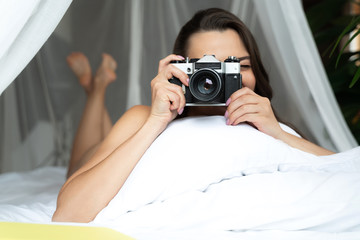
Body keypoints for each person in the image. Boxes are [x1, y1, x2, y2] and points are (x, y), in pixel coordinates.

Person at [52, 8, 334, 223]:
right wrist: (155, 122)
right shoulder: (144, 117)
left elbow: (342, 168)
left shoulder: (269, 124)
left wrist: (278, 132)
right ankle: (97, 89)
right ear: (180, 70)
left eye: (237, 66)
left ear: (255, 72)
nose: (215, 80)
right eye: (206, 69)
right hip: (127, 136)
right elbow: (69, 214)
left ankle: (96, 87)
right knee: (79, 163)